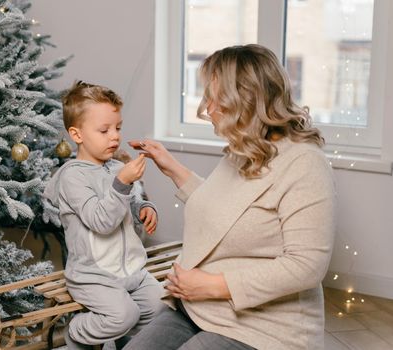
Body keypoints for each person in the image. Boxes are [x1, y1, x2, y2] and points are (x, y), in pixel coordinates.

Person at [124, 44, 336, 350]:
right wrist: (171, 167)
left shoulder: (305, 163)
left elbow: (307, 265)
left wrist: (214, 286)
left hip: (267, 328)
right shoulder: (245, 149)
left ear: (246, 100)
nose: (206, 108)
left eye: (214, 98)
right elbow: (225, 212)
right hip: (198, 307)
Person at [43, 81, 164, 349]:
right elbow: (101, 221)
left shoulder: (115, 167)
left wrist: (144, 208)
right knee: (125, 314)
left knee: (162, 308)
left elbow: (131, 202)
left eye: (118, 128)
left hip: (131, 269)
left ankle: (115, 338)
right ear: (77, 135)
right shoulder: (72, 177)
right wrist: (122, 182)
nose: (115, 136)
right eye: (104, 130)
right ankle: (75, 334)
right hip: (93, 275)